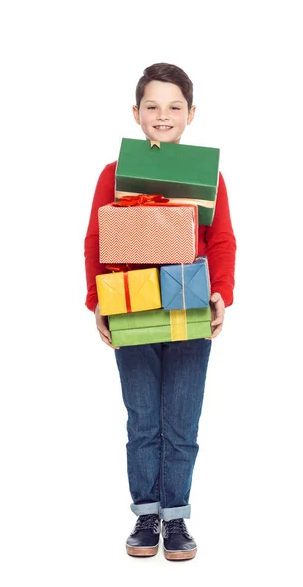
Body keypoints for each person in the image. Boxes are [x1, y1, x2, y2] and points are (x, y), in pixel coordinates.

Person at [84, 63, 237, 561]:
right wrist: (97, 303)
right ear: (136, 113)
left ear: (191, 114)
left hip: (188, 307)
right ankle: (146, 513)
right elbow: (95, 241)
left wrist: (221, 294)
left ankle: (176, 519)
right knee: (143, 418)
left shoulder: (207, 175)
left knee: (182, 420)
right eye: (152, 105)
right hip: (131, 310)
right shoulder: (114, 173)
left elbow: (221, 240)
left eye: (174, 106)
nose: (163, 115)